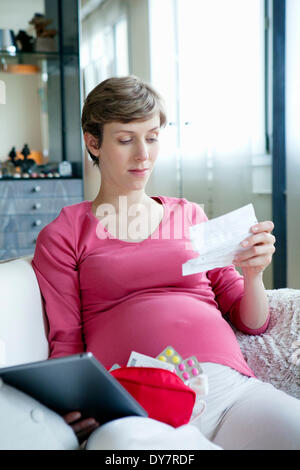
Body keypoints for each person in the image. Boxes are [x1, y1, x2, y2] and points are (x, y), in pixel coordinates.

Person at [30, 75, 300, 450]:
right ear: (94, 142)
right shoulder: (65, 233)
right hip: (133, 404)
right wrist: (71, 405)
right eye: (126, 139)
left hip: (228, 392)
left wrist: (253, 275)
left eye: (152, 137)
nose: (144, 154)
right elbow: (66, 341)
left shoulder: (189, 216)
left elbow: (253, 323)